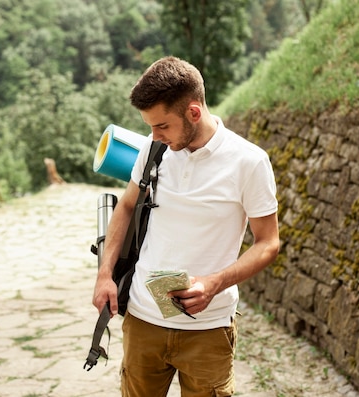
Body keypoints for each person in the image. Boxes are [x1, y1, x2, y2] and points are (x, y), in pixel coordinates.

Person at [92, 56, 280, 397]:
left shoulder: (249, 162)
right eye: (150, 127)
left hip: (208, 330)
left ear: (193, 112)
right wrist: (105, 274)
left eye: (162, 126)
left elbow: (268, 243)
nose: (155, 136)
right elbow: (127, 206)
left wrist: (213, 284)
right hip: (142, 320)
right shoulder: (153, 149)